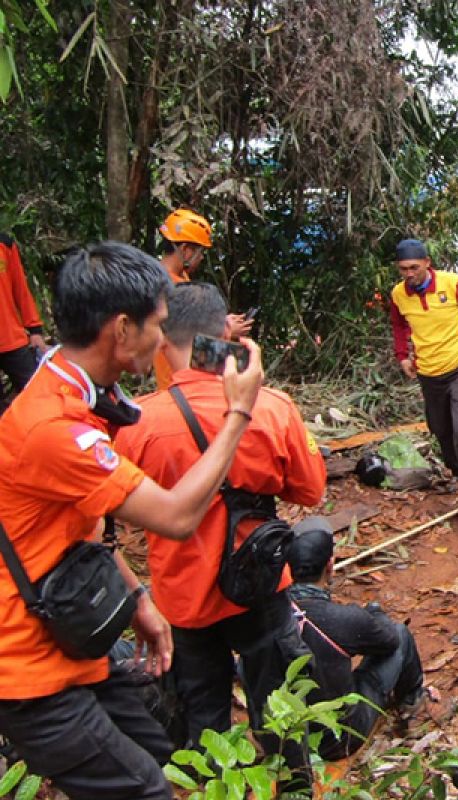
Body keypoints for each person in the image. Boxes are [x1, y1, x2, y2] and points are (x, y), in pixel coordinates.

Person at [0, 242, 264, 800]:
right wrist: (239, 411)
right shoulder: (55, 429)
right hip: (28, 671)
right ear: (121, 329)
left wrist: (138, 597)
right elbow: (175, 516)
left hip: (71, 643)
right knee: (148, 790)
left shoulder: (69, 386)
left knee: (166, 759)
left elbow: (87, 520)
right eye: (158, 326)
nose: (164, 341)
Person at [113, 281, 324, 787]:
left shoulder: (137, 425)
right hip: (259, 584)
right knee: (278, 703)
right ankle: (294, 789)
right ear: (224, 334)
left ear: (164, 339)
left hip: (182, 595)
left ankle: (212, 791)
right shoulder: (272, 406)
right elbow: (310, 490)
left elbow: (114, 515)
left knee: (203, 713)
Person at [285, 519, 431, 761]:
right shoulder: (344, 618)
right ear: (330, 566)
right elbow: (390, 640)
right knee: (401, 635)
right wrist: (374, 613)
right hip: (337, 739)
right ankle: (411, 704)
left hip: (284, 738)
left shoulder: (267, 616)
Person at [387, 239, 458, 518]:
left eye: (414, 267)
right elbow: (399, 325)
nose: (409, 274)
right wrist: (402, 355)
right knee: (442, 431)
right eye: (403, 269)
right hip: (428, 371)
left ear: (427, 262)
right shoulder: (399, 294)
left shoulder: (453, 283)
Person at [154, 208, 251, 388]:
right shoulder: (165, 287)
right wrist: (225, 328)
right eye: (200, 253)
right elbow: (185, 331)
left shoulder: (179, 276)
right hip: (176, 379)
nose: (201, 258)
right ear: (186, 250)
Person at [0, 233, 48, 414]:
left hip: (12, 338)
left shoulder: (4, 244)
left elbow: (20, 288)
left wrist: (35, 329)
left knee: (37, 395)